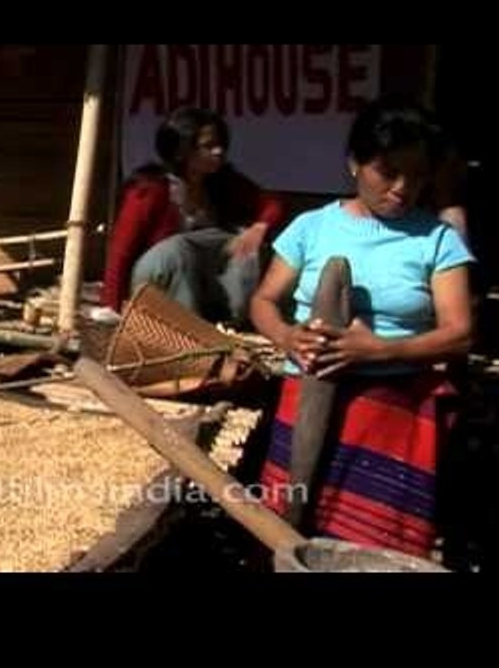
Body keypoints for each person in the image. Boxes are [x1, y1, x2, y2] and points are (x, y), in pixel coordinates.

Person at [250, 96, 474, 558]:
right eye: (388, 171)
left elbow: (459, 333)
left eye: (416, 175)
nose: (402, 187)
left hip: (390, 412)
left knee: (372, 549)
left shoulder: (438, 239)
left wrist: (377, 351)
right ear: (354, 163)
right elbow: (264, 301)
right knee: (289, 530)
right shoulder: (311, 227)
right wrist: (288, 336)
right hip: (307, 400)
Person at [101, 108, 285, 325]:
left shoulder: (223, 182)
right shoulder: (150, 190)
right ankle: (187, 329)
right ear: (182, 150)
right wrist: (112, 308)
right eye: (208, 146)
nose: (218, 152)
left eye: (220, 145)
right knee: (179, 248)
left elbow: (272, 205)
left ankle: (232, 320)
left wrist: (259, 227)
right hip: (155, 279)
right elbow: (121, 251)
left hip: (201, 280)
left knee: (241, 240)